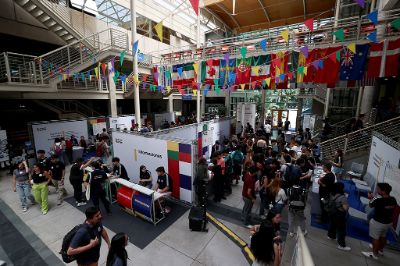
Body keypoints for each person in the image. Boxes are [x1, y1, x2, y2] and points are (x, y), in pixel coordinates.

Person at [362, 183, 397, 260]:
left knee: (375, 238)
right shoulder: (393, 199)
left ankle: (374, 254)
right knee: (383, 236)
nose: (377, 190)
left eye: (378, 189)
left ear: (383, 191)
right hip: (388, 223)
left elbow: (370, 205)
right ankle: (380, 250)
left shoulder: (378, 200)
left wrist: (371, 198)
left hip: (378, 222)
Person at [327, 182, 351, 251]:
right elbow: (345, 208)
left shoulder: (332, 193)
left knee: (332, 224)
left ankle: (331, 236)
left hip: (332, 212)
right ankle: (341, 245)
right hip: (339, 214)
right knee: (341, 230)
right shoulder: (342, 197)